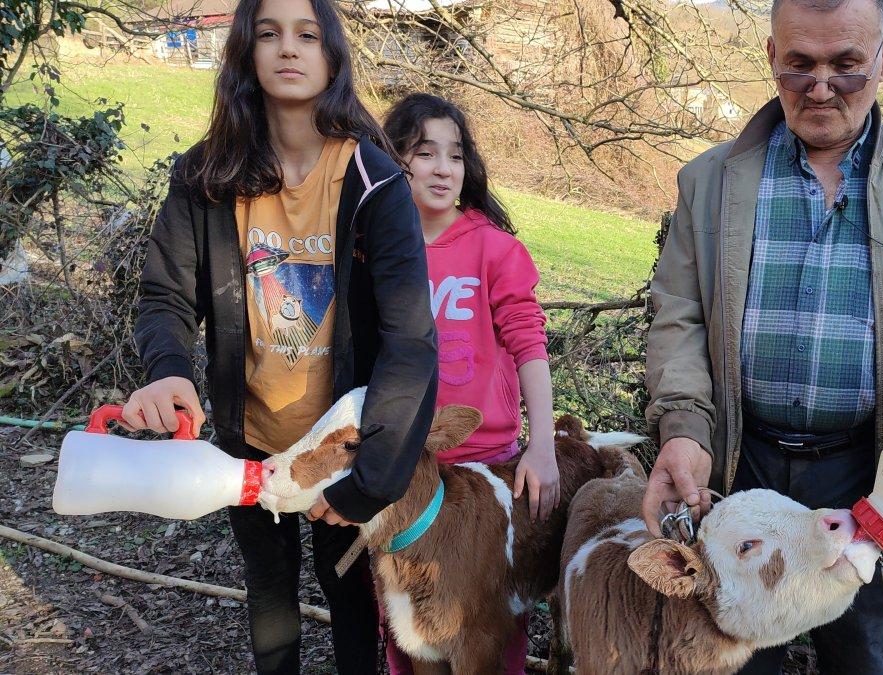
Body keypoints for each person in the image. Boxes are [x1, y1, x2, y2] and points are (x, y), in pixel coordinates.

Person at [641, 0, 883, 672]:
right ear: (771, 57)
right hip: (739, 472)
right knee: (731, 661)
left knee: (870, 661)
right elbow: (679, 318)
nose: (820, 88)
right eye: (800, 66)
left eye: (846, 66)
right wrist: (684, 430)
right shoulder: (708, 182)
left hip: (876, 474)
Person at [119, 0, 438, 672]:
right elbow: (166, 294)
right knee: (268, 588)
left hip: (339, 447)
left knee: (349, 592)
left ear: (332, 58)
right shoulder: (205, 177)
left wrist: (373, 475)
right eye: (269, 33)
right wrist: (168, 368)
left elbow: (409, 339)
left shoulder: (375, 180)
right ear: (246, 52)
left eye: (306, 35)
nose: (288, 48)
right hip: (250, 436)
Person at [381, 93, 557, 675]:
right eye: (424, 153)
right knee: (408, 617)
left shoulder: (494, 249)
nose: (442, 169)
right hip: (404, 467)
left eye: (454, 155)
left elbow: (529, 344)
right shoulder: (379, 248)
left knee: (489, 622)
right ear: (394, 161)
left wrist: (542, 444)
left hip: (486, 466)